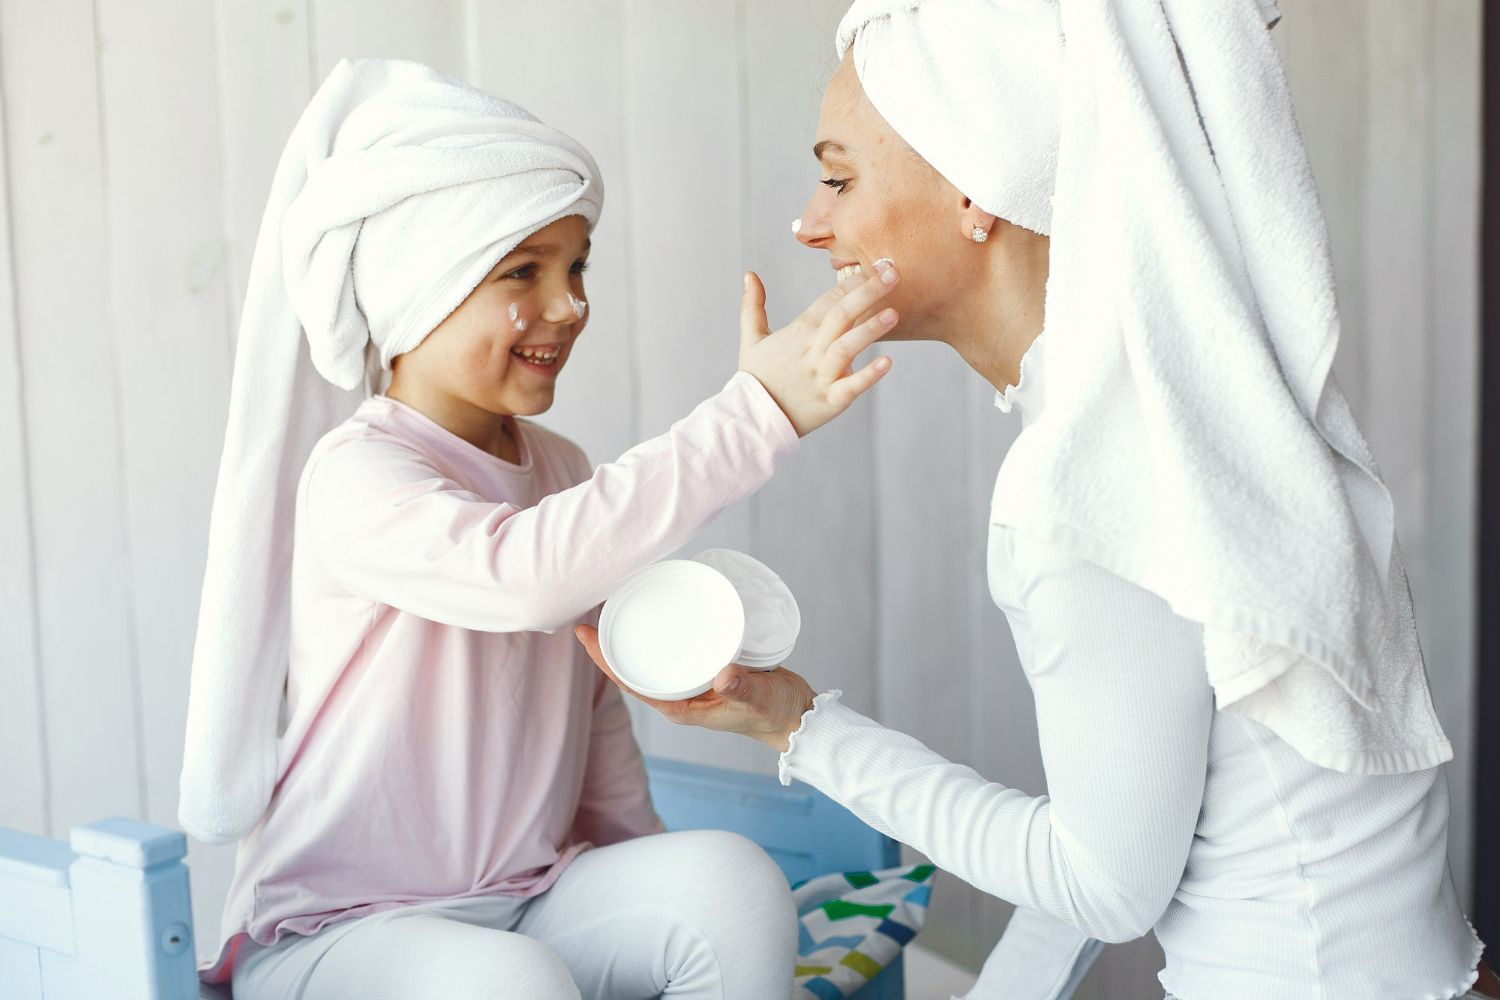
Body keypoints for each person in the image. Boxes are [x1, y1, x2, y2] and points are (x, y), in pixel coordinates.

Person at [576, 2, 1497, 997]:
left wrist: (798, 724)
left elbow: (1103, 887)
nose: (810, 223)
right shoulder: (1201, 408)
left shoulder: (1084, 482)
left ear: (977, 190)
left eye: (839, 176)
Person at [176, 58, 900, 1000]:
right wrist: (754, 413)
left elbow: (590, 702)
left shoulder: (559, 470)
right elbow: (528, 578)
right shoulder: (357, 475)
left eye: (576, 265)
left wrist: (644, 872)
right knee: (507, 984)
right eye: (524, 270)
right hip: (343, 933)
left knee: (731, 887)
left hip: (526, 895)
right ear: (415, 288)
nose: (570, 304)